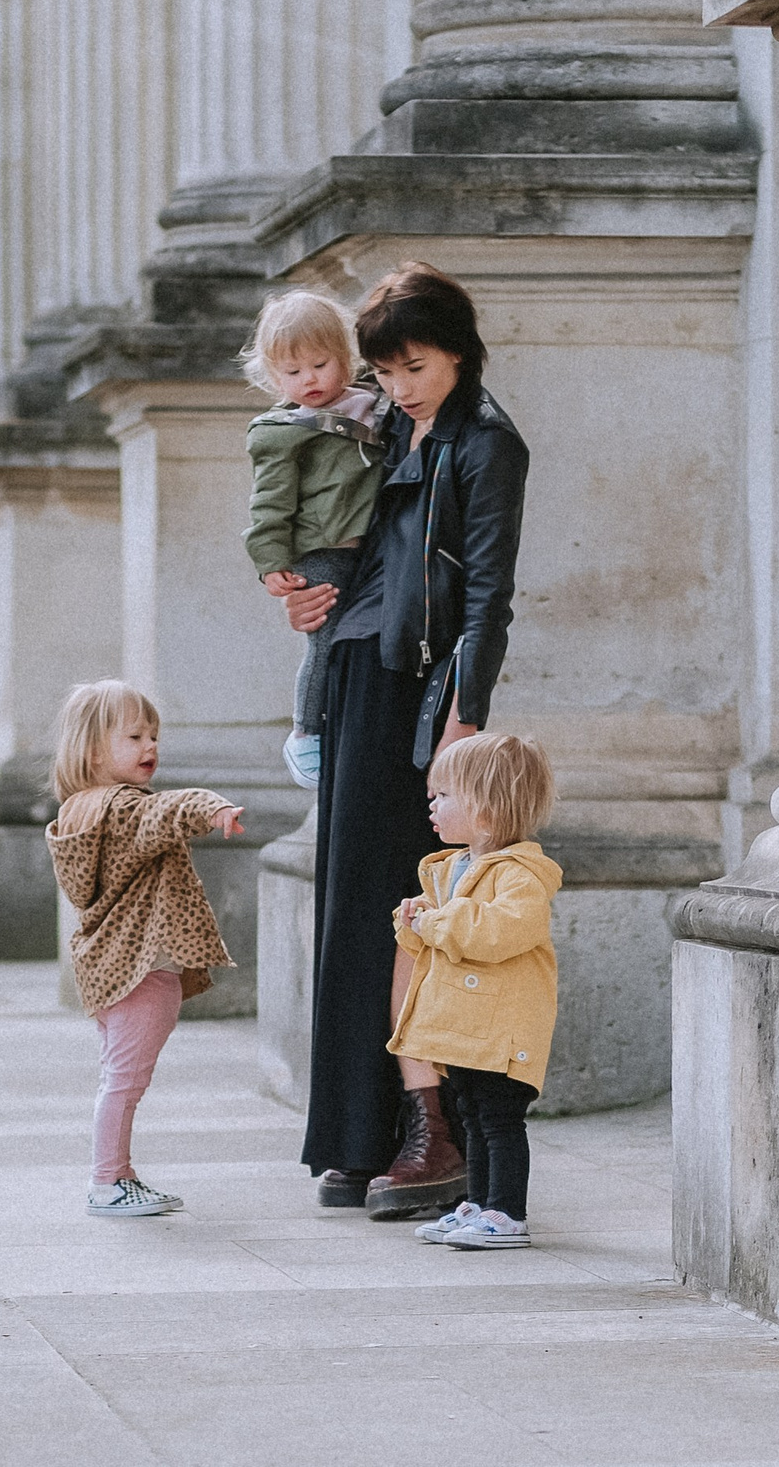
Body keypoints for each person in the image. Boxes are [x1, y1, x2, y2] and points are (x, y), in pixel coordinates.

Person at [276, 262, 529, 1220]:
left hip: (422, 694)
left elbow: (486, 595)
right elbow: (326, 530)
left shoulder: (487, 446)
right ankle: (357, 1136)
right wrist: (301, 589)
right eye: (386, 370)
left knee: (413, 921)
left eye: (416, 366)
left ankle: (435, 1130)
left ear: (457, 352)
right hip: (351, 676)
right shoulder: (372, 426)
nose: (401, 384)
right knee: (352, 914)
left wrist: (463, 713)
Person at [45, 679, 244, 1218]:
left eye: (153, 735)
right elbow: (166, 812)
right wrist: (212, 806)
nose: (150, 747)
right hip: (142, 967)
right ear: (91, 751)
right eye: (134, 736)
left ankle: (120, 1175)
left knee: (120, 1076)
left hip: (108, 965)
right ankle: (106, 1182)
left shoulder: (82, 809)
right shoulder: (124, 807)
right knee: (125, 1081)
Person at [389, 732, 561, 1250]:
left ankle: (507, 1212)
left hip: (502, 1027)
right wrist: (413, 922)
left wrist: (439, 921)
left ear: (485, 809)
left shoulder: (521, 876)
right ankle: (479, 1204)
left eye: (443, 796)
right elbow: (440, 939)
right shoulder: (451, 868)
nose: (431, 806)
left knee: (499, 1119)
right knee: (469, 1114)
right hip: (464, 1026)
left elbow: (498, 932)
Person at [240, 292, 385, 789]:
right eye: (292, 373)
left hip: (370, 546)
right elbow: (269, 504)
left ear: (345, 356)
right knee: (324, 641)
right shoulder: (283, 431)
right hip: (321, 550)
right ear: (273, 376)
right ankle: (305, 732)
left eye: (320, 365)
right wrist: (270, 560)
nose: (309, 381)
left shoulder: (373, 399)